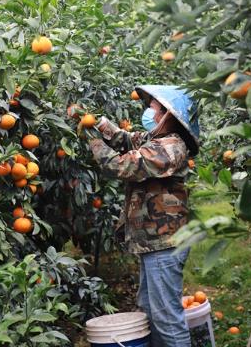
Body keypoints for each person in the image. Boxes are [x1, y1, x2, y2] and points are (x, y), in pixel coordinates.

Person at [87, 85, 200, 347]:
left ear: (168, 116)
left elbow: (121, 165)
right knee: (149, 311)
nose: (149, 111)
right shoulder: (156, 140)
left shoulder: (170, 147)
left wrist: (90, 139)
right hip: (154, 243)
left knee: (167, 319)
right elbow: (126, 140)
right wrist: (99, 123)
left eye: (155, 108)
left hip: (165, 243)